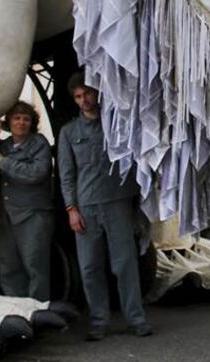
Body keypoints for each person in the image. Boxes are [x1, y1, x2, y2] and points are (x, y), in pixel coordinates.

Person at [57, 74, 152, 340]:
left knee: (124, 264)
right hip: (86, 207)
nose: (84, 100)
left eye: (87, 93)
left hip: (117, 202)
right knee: (89, 266)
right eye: (78, 96)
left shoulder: (117, 124)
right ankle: (99, 320)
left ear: (97, 93)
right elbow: (66, 174)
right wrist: (71, 209)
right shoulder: (69, 132)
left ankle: (136, 318)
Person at [0, 101, 53, 301]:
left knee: (35, 265)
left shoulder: (39, 144)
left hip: (32, 214)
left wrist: (3, 161)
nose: (21, 123)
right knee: (9, 265)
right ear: (9, 121)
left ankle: (37, 312)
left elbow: (35, 173)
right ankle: (16, 310)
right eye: (16, 118)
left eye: (26, 119)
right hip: (6, 215)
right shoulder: (4, 146)